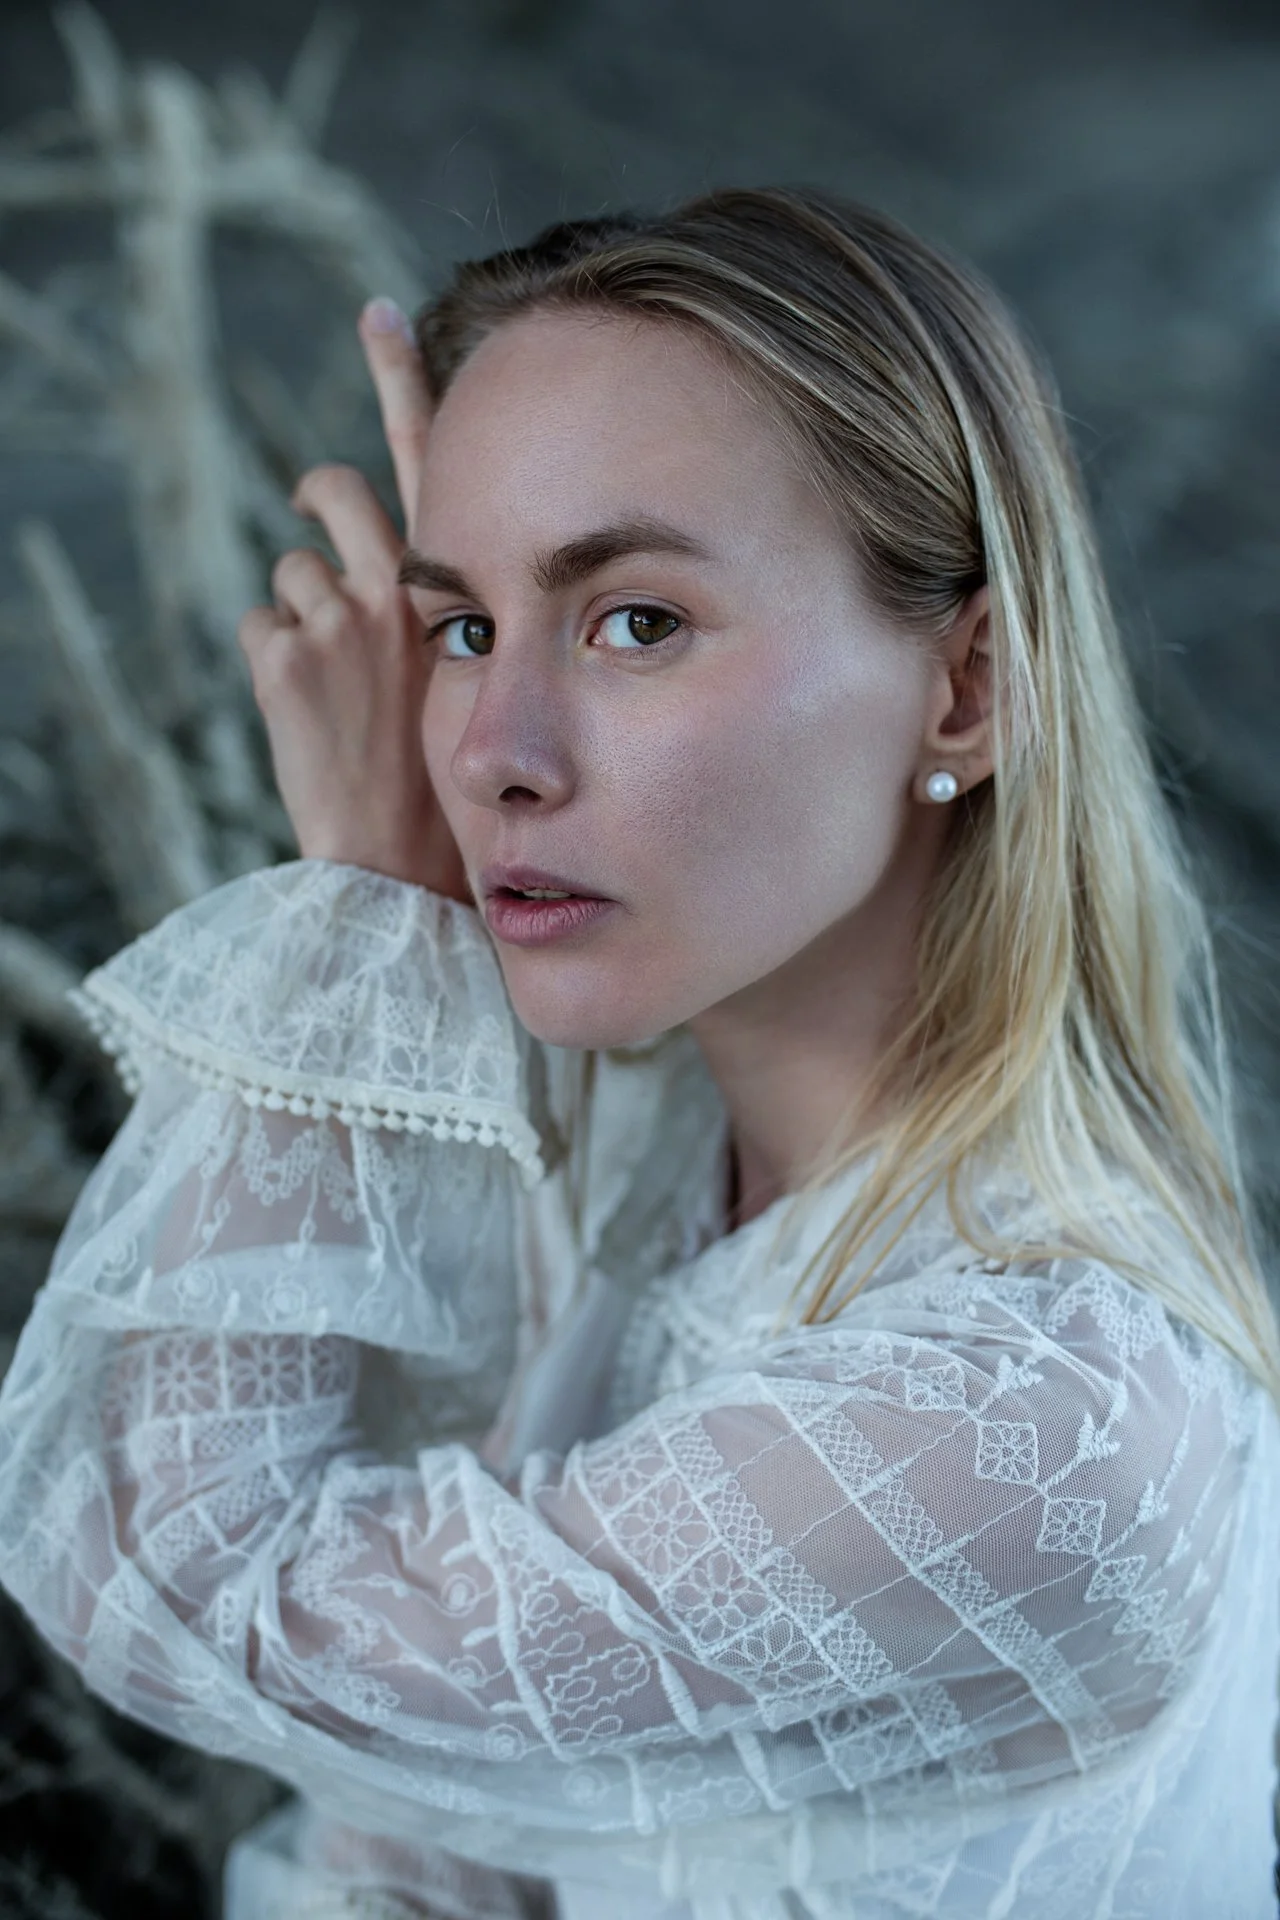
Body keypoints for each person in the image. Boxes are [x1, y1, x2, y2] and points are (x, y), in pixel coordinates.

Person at [0, 186, 1276, 1920]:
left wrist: (366, 912)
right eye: (458, 632)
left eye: (637, 622)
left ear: (967, 690)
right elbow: (423, 1841)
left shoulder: (1031, 1417)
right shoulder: (651, 1139)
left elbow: (188, 1589)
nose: (492, 754)